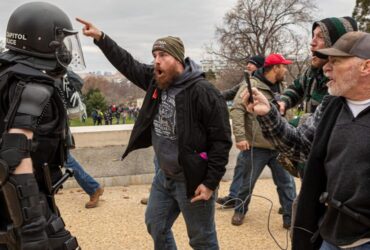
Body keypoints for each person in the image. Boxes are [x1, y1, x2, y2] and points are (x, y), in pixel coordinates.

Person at [77, 18, 232, 249]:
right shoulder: (157, 80)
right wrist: (101, 38)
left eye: (162, 56)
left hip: (192, 179)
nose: (156, 61)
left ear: (178, 59)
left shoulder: (204, 92)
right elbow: (127, 63)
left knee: (202, 239)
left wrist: (210, 183)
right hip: (164, 176)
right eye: (154, 56)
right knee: (155, 225)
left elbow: (221, 141)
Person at [243, 31, 370, 250]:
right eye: (327, 61)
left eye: (336, 61)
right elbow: (301, 145)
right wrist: (267, 114)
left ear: (366, 66)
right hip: (330, 233)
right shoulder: (331, 106)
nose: (326, 68)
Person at [0, 2, 85, 249]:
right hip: (25, 204)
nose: (66, 49)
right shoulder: (34, 85)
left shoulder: (7, 75)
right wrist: (33, 229)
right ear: (43, 39)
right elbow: (14, 153)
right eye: (61, 39)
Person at [230, 54, 297, 229]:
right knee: (246, 183)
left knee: (287, 184)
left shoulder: (283, 87)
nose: (286, 69)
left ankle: (290, 217)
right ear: (275, 68)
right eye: (284, 66)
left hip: (279, 146)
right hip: (256, 147)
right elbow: (237, 110)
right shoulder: (251, 86)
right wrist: (241, 137)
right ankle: (240, 210)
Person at [217, 55, 265, 208]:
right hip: (252, 136)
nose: (248, 66)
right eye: (248, 64)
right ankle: (234, 198)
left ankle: (288, 205)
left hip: (266, 138)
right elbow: (230, 94)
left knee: (283, 177)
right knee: (241, 167)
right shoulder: (245, 83)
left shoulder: (266, 84)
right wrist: (211, 95)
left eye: (252, 64)